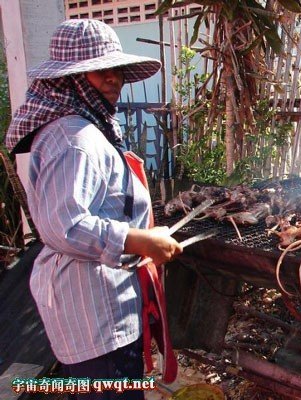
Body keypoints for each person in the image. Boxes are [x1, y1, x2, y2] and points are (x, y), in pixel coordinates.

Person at [4, 19, 182, 399]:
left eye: (116, 70)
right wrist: (138, 240)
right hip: (95, 316)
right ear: (71, 80)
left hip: (97, 309)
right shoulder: (74, 138)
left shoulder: (82, 128)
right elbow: (63, 227)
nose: (114, 80)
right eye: (100, 71)